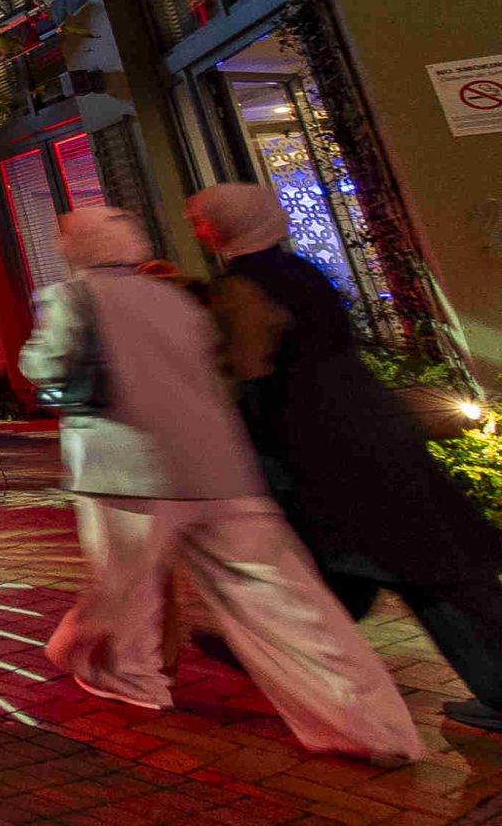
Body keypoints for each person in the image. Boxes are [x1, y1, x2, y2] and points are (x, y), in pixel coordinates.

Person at [24, 206, 420, 763]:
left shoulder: (72, 298)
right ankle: (371, 726)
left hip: (129, 471)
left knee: (127, 588)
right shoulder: (178, 299)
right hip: (221, 468)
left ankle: (131, 677)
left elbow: (47, 367)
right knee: (287, 605)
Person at [192, 182, 502, 733]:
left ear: (222, 226)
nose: (198, 229)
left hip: (318, 438)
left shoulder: (242, 287)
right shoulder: (306, 273)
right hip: (367, 419)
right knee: (419, 563)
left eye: (203, 220)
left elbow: (251, 371)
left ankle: (276, 649)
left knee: (401, 565)